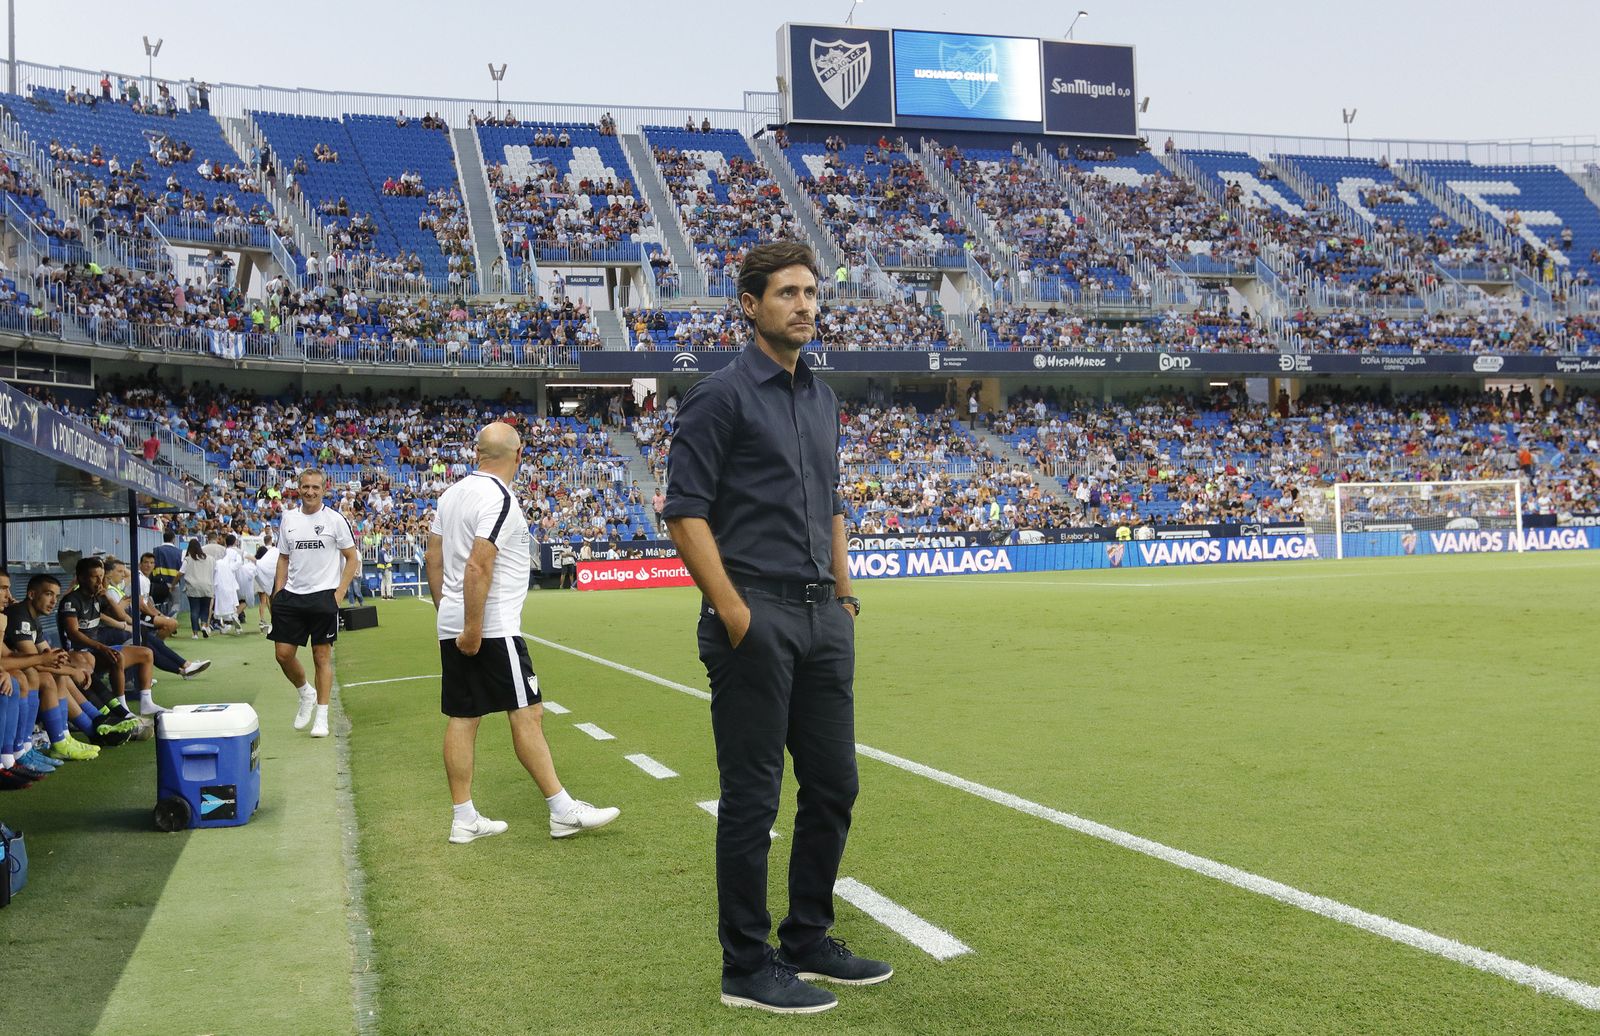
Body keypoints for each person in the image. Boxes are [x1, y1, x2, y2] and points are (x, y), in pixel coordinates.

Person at [663, 241, 889, 1016]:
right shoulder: (718, 396)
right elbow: (684, 513)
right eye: (787, 292)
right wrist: (734, 613)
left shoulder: (823, 398)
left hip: (823, 616)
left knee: (834, 786)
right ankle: (746, 966)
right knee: (754, 799)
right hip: (753, 614)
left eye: (811, 292)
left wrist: (845, 599)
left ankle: (807, 939)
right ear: (751, 305)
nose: (804, 304)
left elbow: (831, 505)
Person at [425, 422, 620, 844]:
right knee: (527, 712)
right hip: (490, 625)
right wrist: (474, 628)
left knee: (464, 716)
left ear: (478, 453)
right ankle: (561, 810)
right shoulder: (499, 499)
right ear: (518, 455)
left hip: (456, 621)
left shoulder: (451, 494)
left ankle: (464, 818)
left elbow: (433, 557)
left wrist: (449, 611)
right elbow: (479, 565)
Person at [271, 470, 361, 739]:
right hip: (291, 596)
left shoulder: (334, 520)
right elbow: (283, 558)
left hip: (323, 596)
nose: (310, 491)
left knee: (321, 657)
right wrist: (278, 591)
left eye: (315, 487)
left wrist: (339, 593)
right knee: (283, 655)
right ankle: (305, 693)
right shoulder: (289, 518)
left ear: (324, 489)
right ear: (298, 488)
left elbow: (351, 558)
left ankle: (321, 717)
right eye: (305, 487)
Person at [180, 538, 215, 638]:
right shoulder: (210, 559)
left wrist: (174, 583)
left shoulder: (188, 559)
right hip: (207, 586)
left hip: (193, 587)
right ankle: (204, 625)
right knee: (205, 608)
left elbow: (180, 573)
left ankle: (195, 633)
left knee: (194, 610)